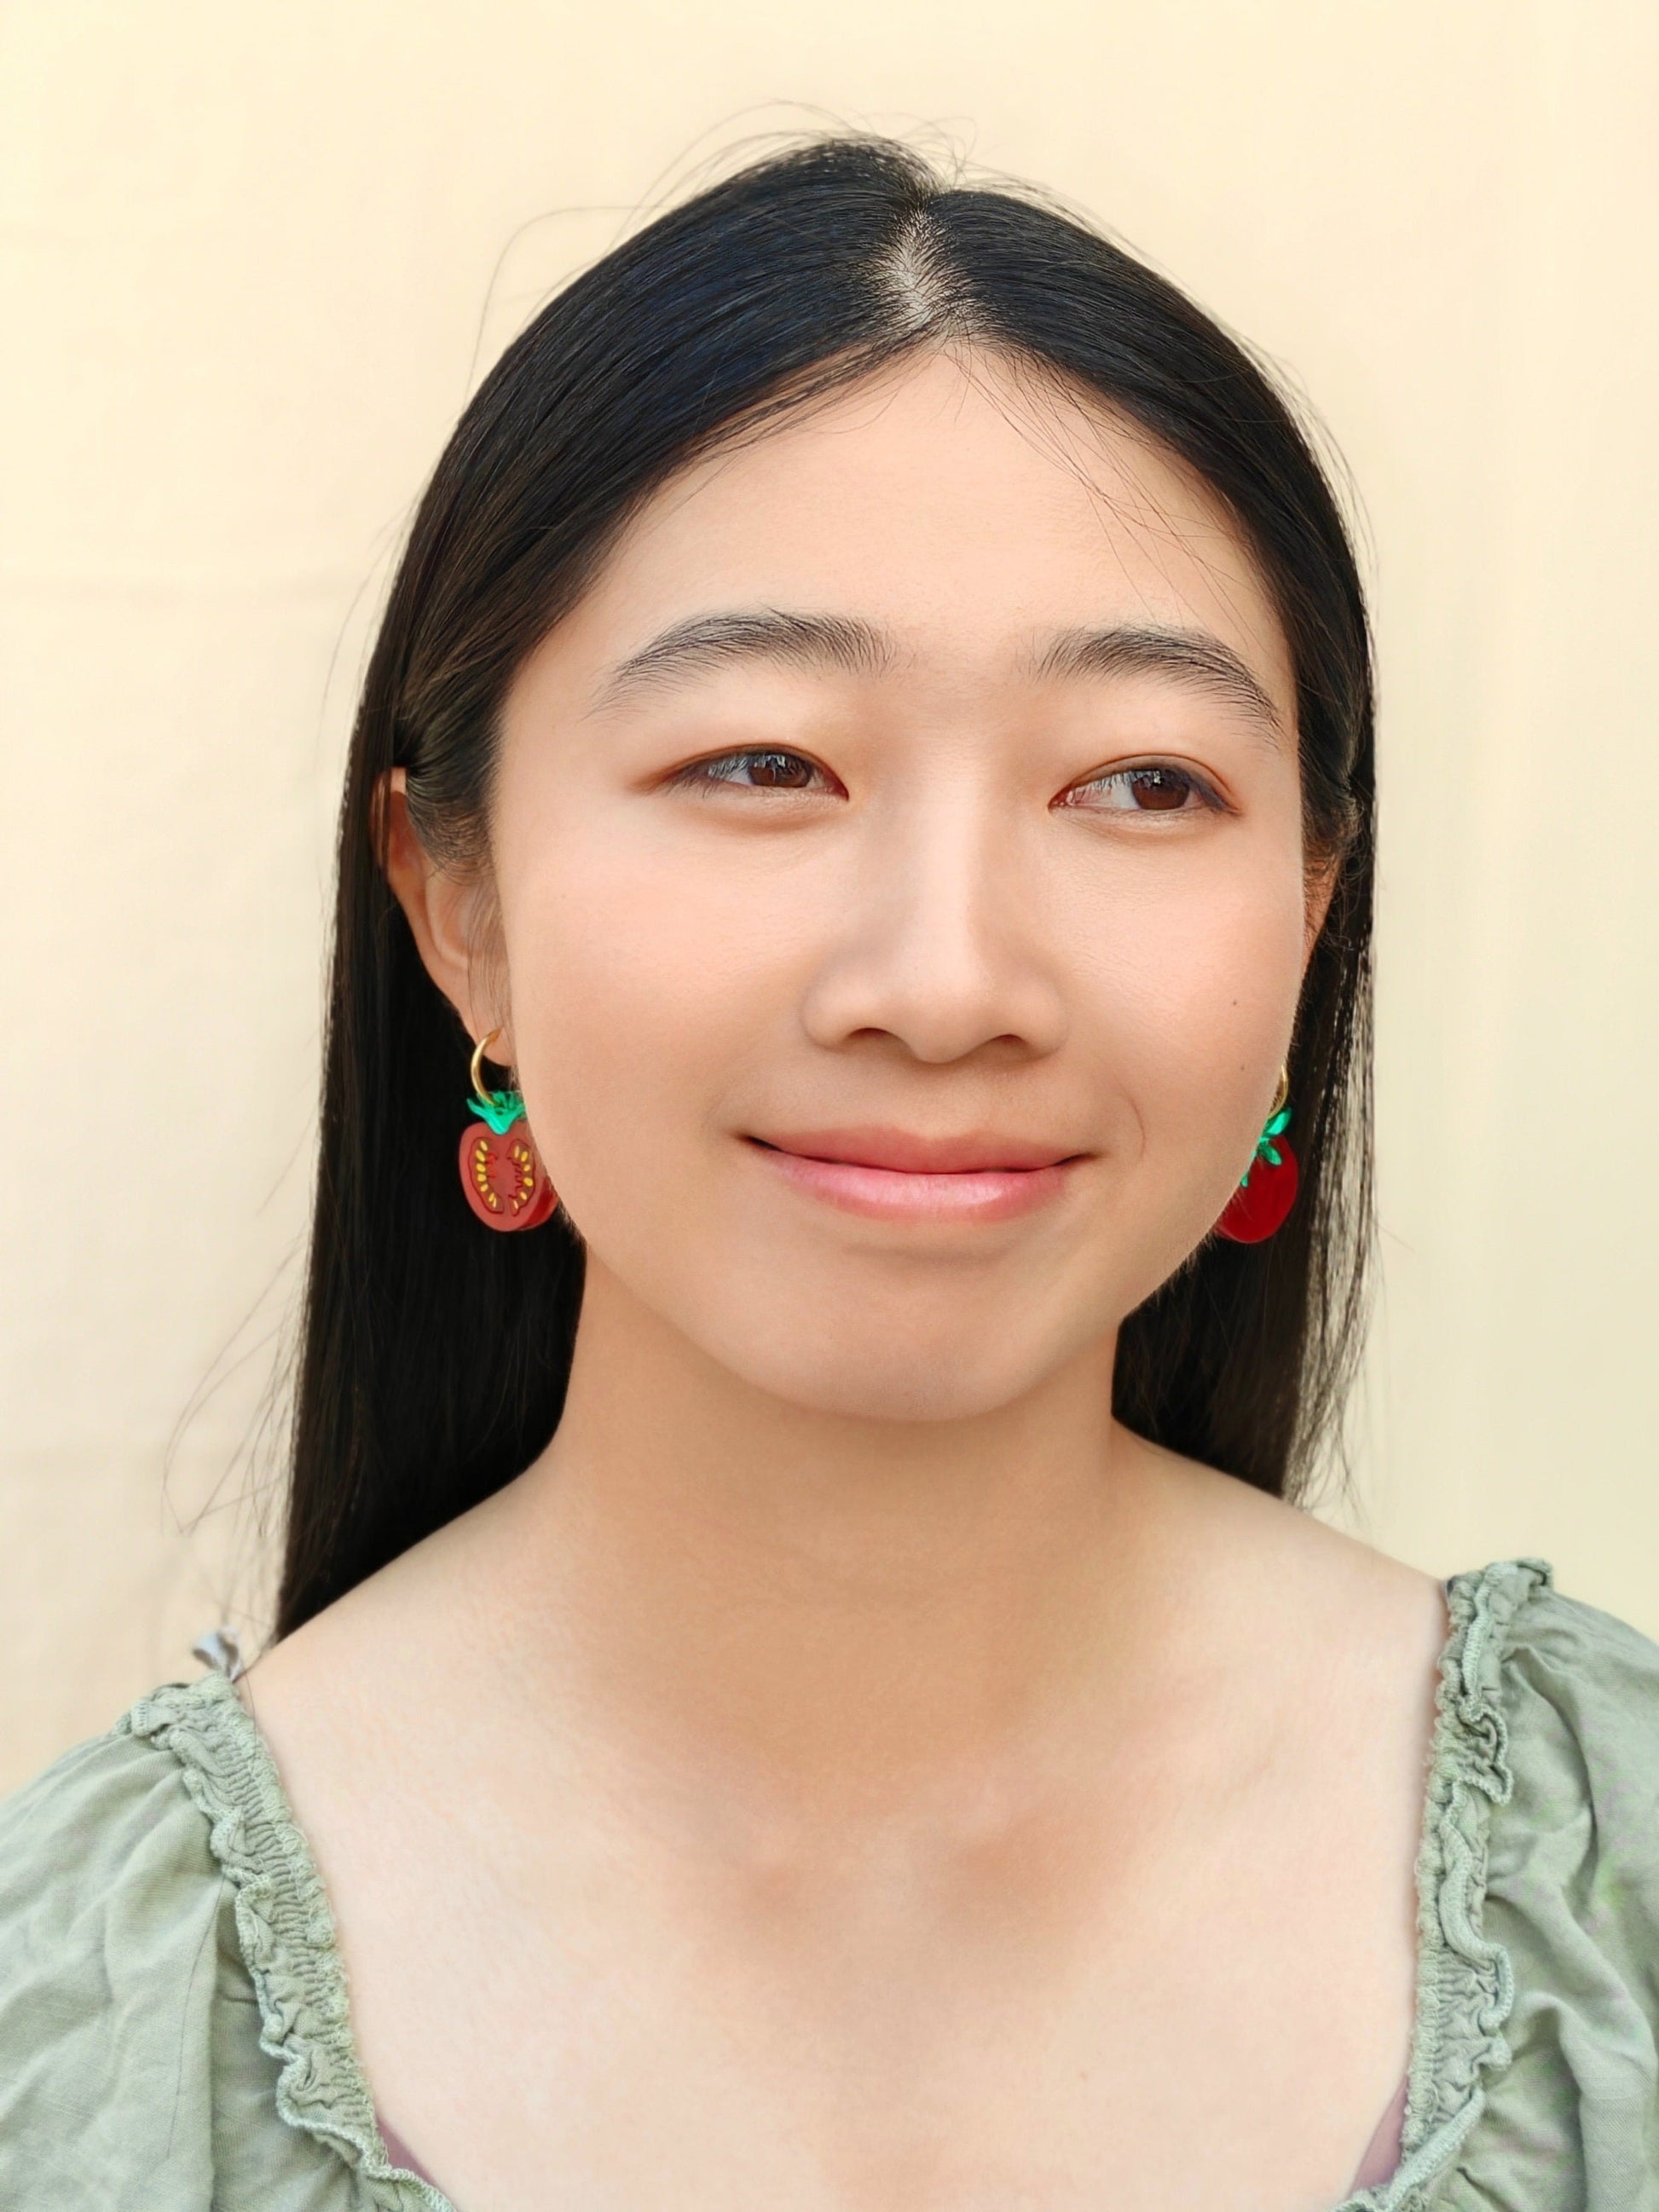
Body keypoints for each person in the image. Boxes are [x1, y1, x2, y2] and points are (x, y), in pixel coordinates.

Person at [2, 135, 1655, 2212]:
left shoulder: (1617, 1886)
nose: (948, 980)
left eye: (1142, 778)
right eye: (763, 762)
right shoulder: (71, 2034)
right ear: (456, 896)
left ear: (1312, 914)